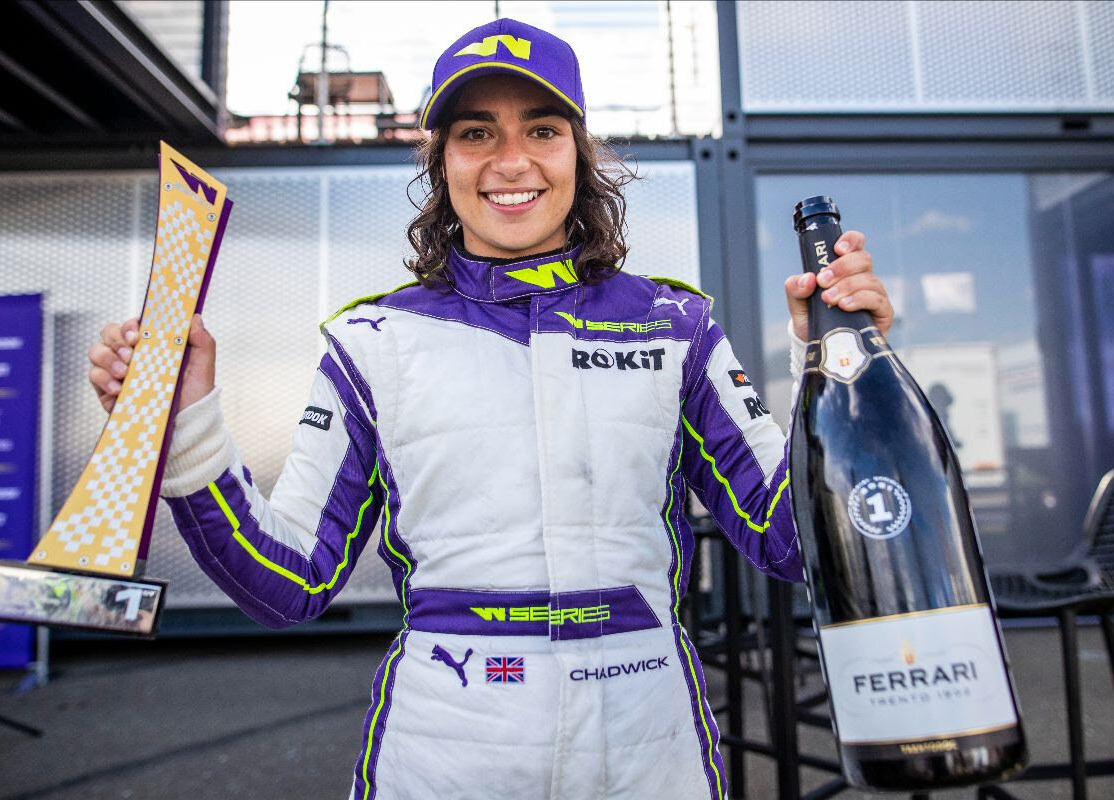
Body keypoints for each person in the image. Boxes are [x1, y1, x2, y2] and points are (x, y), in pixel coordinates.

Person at [87, 18, 892, 800]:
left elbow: (791, 541)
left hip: (652, 759)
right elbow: (284, 583)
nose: (512, 162)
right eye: (476, 133)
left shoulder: (677, 326)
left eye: (541, 129)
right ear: (440, 161)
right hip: (445, 759)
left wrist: (841, 372)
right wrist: (188, 426)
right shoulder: (374, 341)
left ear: (579, 150)